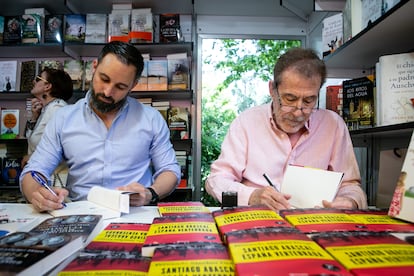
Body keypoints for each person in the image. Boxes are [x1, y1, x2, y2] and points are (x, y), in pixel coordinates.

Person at [20, 41, 181, 212]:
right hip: (80, 213)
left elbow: (170, 170)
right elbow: (33, 172)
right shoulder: (63, 118)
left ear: (133, 85)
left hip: (134, 214)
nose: (107, 92)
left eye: (120, 87)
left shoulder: (151, 119)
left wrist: (150, 193)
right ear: (94, 67)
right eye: (104, 79)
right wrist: (37, 193)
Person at [205, 47, 368, 211]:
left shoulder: (333, 125)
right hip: (258, 223)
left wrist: (349, 200)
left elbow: (350, 185)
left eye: (309, 101)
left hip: (314, 223)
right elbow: (216, 180)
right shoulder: (246, 123)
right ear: (272, 90)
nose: (298, 112)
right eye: (290, 99)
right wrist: (252, 196)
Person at [22, 67, 74, 188]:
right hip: (44, 180)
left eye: (37, 79)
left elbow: (64, 147)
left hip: (53, 183)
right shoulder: (48, 109)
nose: (34, 82)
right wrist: (34, 118)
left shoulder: (58, 110)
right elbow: (34, 139)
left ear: (47, 86)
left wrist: (33, 157)